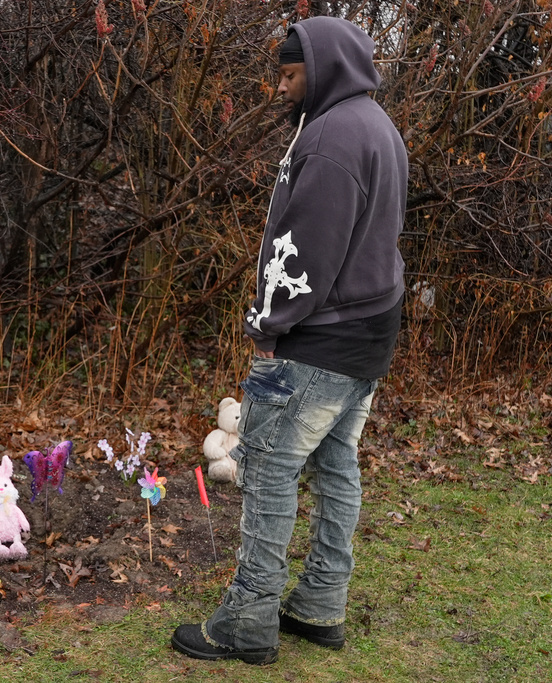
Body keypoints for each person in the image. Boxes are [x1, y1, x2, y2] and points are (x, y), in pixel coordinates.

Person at [171, 16, 408, 666]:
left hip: (316, 340)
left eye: (290, 75)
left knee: (269, 468)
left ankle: (248, 621)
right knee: (336, 464)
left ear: (322, 69)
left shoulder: (331, 139)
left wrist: (268, 330)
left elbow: (303, 255)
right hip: (368, 337)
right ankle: (320, 604)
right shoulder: (378, 126)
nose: (281, 88)